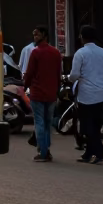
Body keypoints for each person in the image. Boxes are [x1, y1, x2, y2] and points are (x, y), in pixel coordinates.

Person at [69, 25, 103, 164]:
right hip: (100, 94)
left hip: (86, 95)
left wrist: (69, 79)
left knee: (87, 126)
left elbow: (74, 74)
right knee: (95, 124)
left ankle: (98, 153)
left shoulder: (80, 53)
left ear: (82, 37)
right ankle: (88, 153)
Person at [22, 26, 61, 162]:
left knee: (39, 122)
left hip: (38, 93)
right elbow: (58, 74)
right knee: (48, 123)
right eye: (34, 35)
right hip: (51, 94)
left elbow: (29, 74)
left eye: (37, 35)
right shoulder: (56, 53)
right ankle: (46, 149)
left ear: (44, 35)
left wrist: (24, 87)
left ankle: (43, 152)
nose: (35, 38)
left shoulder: (36, 53)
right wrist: (57, 90)